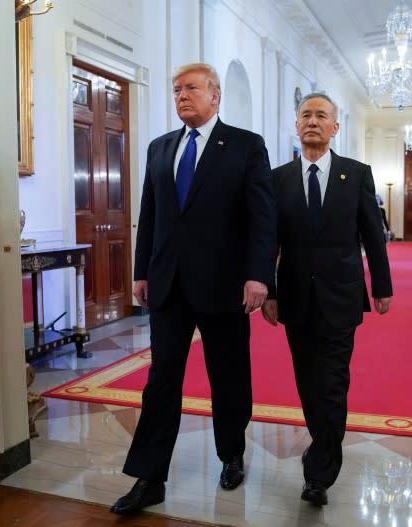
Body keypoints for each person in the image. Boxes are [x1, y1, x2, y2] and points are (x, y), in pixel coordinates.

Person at [110, 63, 276, 516]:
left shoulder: (245, 146)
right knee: (161, 379)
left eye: (192, 89)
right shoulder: (160, 148)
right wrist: (141, 270)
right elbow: (151, 212)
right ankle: (150, 476)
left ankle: (232, 454)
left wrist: (259, 275)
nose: (182, 96)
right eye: (177, 89)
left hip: (224, 284)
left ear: (215, 96)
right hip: (168, 285)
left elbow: (263, 217)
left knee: (228, 376)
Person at [261, 93, 393, 507]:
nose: (312, 121)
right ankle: (321, 444)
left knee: (333, 382)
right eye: (305, 115)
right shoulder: (278, 178)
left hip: (341, 295)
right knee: (307, 382)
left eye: (321, 116)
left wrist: (382, 286)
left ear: (336, 127)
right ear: (295, 126)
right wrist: (270, 289)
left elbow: (373, 234)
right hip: (295, 298)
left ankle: (319, 474)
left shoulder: (356, 174)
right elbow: (268, 241)